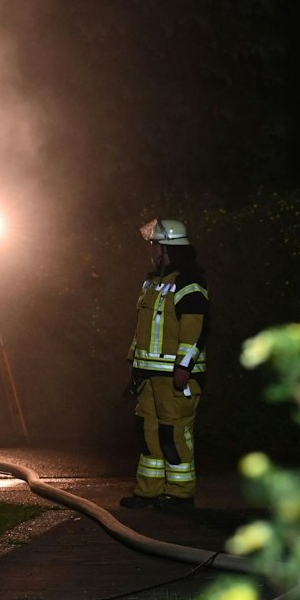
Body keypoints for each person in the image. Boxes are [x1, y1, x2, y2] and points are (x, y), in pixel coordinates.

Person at [119, 217, 209, 509]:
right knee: (147, 431)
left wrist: (184, 367)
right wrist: (135, 366)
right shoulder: (153, 283)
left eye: (155, 244)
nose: (152, 250)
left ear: (168, 248)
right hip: (150, 375)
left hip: (176, 377)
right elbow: (143, 330)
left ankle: (181, 495)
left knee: (173, 434)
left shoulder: (189, 283)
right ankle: (150, 491)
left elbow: (196, 329)